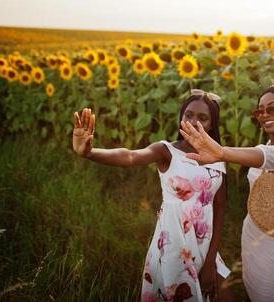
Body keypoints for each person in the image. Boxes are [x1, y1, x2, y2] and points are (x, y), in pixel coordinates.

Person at [72, 90, 235, 302]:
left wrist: (211, 258)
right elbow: (130, 156)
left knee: (227, 295)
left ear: (212, 124)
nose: (194, 121)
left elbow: (219, 208)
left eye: (203, 118)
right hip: (175, 244)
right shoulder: (167, 151)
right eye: (189, 115)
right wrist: (89, 153)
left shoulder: (218, 157)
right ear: (181, 118)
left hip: (204, 244)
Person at [180, 85, 274, 302]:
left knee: (266, 296)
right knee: (251, 292)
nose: (265, 115)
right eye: (260, 111)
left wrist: (222, 153)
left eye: (272, 108)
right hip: (252, 232)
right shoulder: (265, 144)